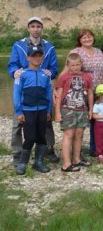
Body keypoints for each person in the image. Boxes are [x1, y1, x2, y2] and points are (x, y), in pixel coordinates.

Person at [8, 16, 59, 166]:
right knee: (18, 122)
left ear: (42, 28)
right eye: (33, 26)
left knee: (47, 121)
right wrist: (14, 72)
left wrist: (51, 73)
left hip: (43, 86)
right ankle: (17, 154)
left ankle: (48, 150)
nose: (36, 29)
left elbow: (54, 68)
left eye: (38, 26)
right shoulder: (18, 45)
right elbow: (12, 65)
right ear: (28, 28)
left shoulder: (49, 47)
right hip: (24, 85)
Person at [62, 29, 103, 158]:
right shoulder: (75, 52)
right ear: (79, 40)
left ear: (93, 37)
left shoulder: (98, 52)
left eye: (89, 36)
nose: (87, 39)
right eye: (84, 37)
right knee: (80, 123)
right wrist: (58, 89)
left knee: (97, 120)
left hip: (99, 92)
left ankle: (96, 149)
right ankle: (75, 153)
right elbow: (66, 70)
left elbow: (102, 72)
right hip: (81, 92)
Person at [13, 46, 53, 175]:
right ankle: (23, 163)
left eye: (39, 55)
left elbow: (48, 93)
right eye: (34, 56)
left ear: (42, 57)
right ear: (28, 58)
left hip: (42, 110)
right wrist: (19, 112)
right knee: (29, 137)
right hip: (27, 110)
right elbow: (17, 94)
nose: (37, 58)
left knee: (41, 137)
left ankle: (39, 162)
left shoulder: (45, 74)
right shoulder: (21, 74)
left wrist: (48, 110)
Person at [54, 53, 94, 172]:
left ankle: (77, 159)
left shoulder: (87, 76)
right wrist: (57, 112)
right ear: (68, 65)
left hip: (82, 109)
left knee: (79, 135)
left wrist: (90, 109)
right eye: (72, 65)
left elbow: (90, 93)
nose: (75, 67)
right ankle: (66, 163)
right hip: (68, 110)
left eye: (77, 65)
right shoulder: (64, 77)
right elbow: (59, 95)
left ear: (81, 64)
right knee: (68, 135)